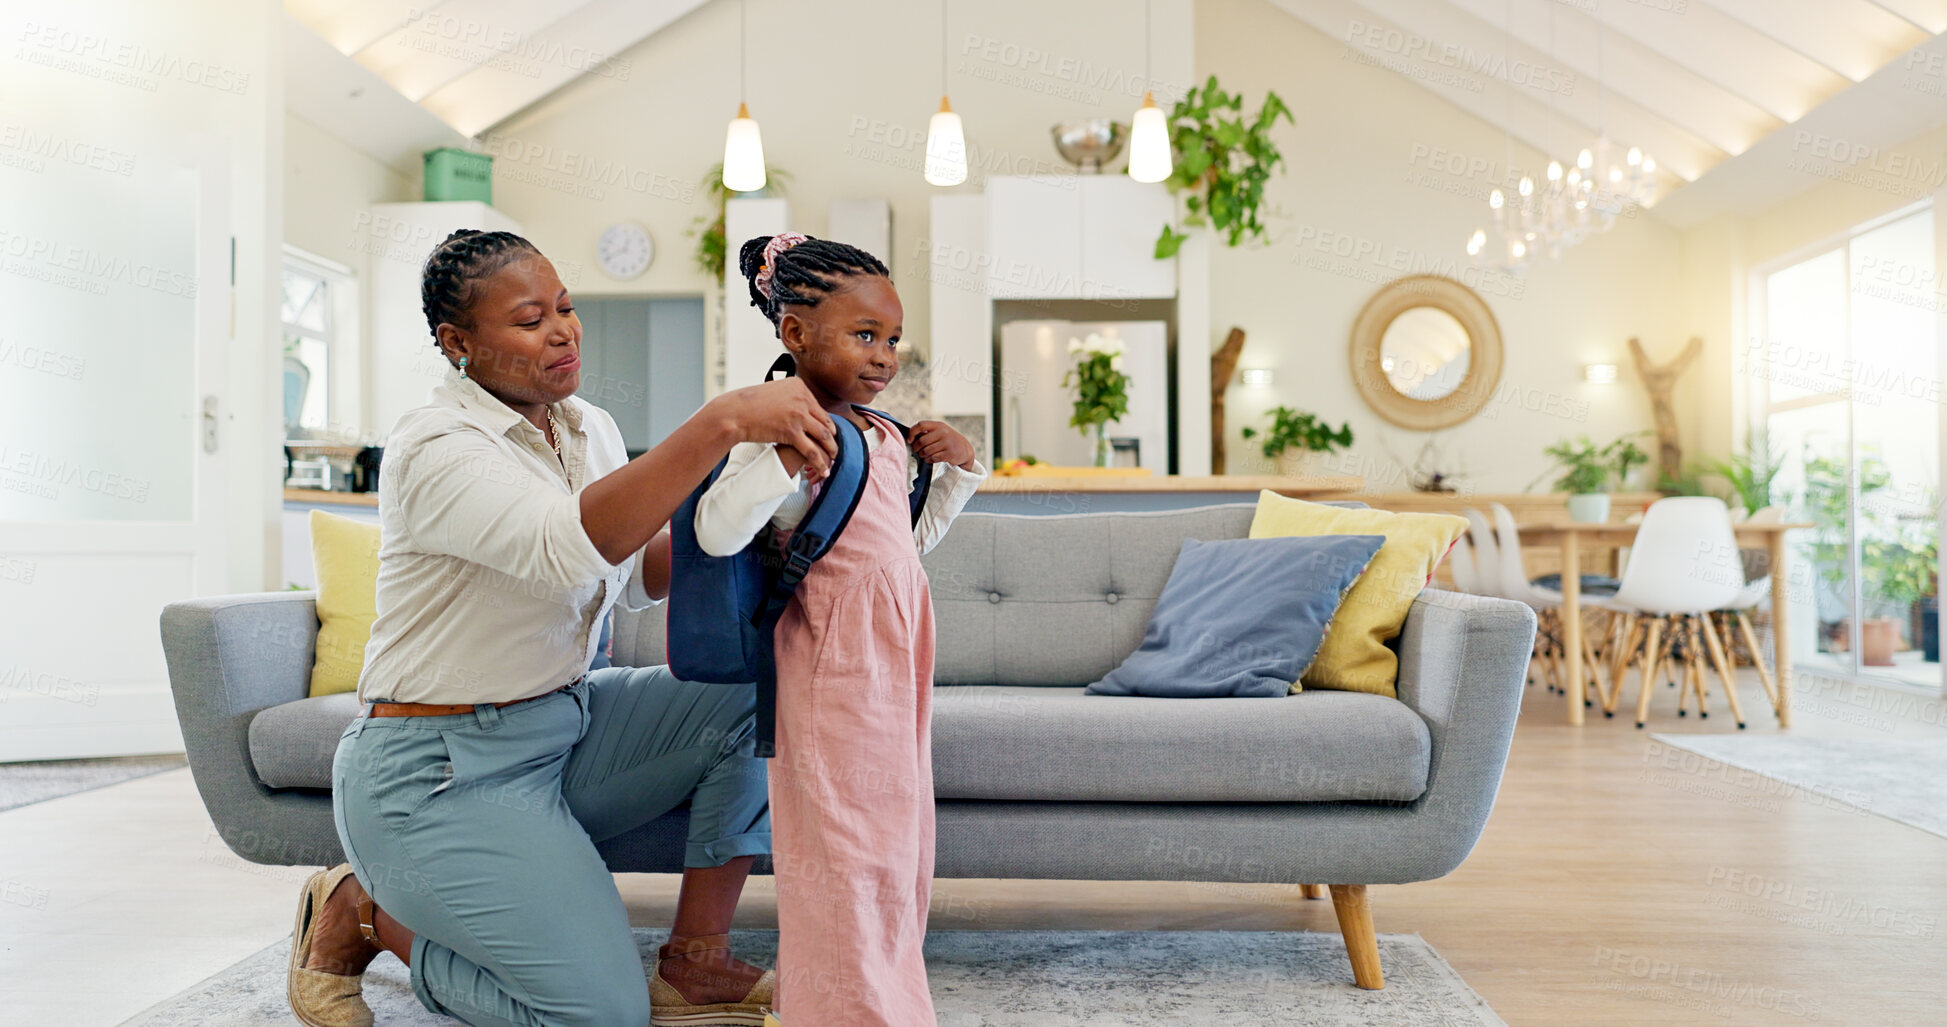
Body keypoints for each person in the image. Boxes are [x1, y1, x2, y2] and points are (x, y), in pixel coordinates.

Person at [286, 228, 841, 1027]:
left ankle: (696, 961)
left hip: (565, 726)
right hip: (435, 771)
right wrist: (721, 422)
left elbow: (628, 572)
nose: (562, 330)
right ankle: (362, 913)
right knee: (597, 1015)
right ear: (458, 344)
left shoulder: (589, 429)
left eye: (567, 307)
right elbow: (568, 544)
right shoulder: (434, 448)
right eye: (528, 318)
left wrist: (759, 533)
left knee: (757, 690)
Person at [692, 233, 986, 1026]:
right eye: (864, 336)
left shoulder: (882, 435)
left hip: (893, 665)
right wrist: (782, 459)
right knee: (843, 854)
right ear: (794, 334)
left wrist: (957, 472)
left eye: (891, 338)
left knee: (894, 851)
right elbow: (717, 532)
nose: (885, 354)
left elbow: (903, 547)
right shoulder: (790, 431)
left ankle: (873, 1001)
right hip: (832, 664)